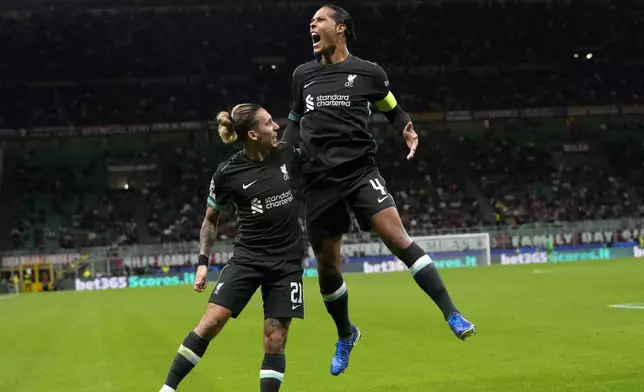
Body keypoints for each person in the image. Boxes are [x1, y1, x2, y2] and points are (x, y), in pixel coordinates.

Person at [281, 5, 476, 376]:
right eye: (312, 21)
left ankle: (452, 313)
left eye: (319, 19)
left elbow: (393, 109)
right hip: (318, 181)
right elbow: (293, 124)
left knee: (398, 238)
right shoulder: (301, 75)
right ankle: (346, 333)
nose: (312, 24)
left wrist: (406, 126)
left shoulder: (369, 74)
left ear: (340, 29)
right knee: (327, 268)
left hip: (359, 172)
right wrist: (281, 160)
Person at [160, 104, 305, 392]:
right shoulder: (227, 173)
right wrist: (203, 262)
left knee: (276, 338)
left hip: (287, 262)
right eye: (268, 123)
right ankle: (167, 389)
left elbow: (315, 153)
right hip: (248, 258)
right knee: (212, 322)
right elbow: (210, 221)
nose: (275, 126)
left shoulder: (288, 154)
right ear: (252, 134)